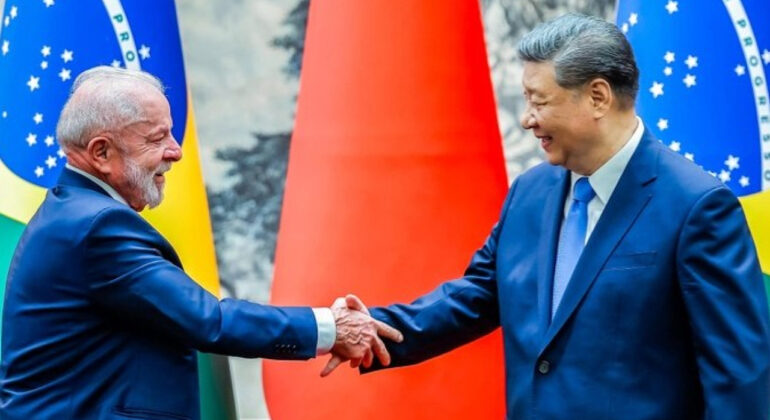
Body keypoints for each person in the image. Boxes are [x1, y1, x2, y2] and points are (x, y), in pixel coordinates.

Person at [325, 13, 770, 419]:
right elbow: (477, 295)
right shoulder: (530, 193)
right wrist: (370, 330)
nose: (526, 120)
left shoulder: (696, 206)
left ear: (598, 97)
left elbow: (739, 379)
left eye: (539, 102)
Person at [0, 66, 402, 420]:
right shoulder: (98, 226)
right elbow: (210, 321)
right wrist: (331, 327)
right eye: (157, 138)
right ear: (101, 152)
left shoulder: (73, 213)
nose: (175, 152)